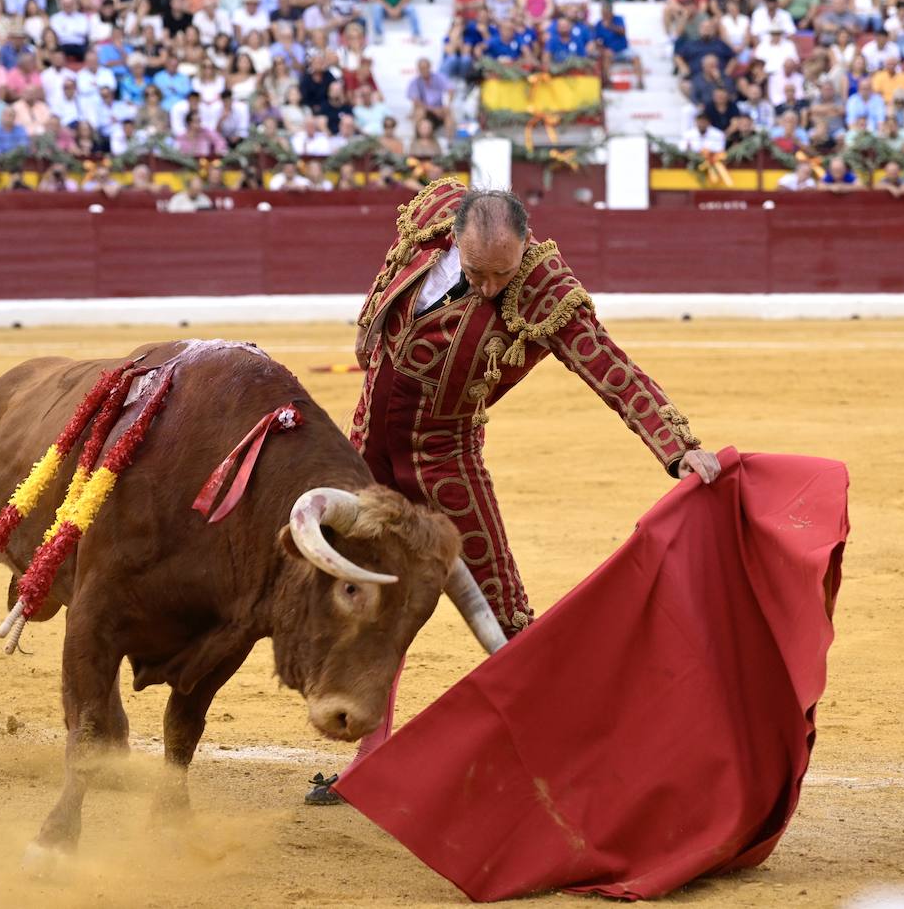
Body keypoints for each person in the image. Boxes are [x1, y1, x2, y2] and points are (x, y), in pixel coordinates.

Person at [305, 182, 720, 805]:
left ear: (524, 249)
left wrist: (677, 445)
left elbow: (610, 367)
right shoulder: (429, 216)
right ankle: (370, 758)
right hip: (362, 455)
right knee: (365, 604)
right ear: (454, 240)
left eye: (502, 273)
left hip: (444, 467)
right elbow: (388, 294)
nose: (490, 287)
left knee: (504, 617)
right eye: (476, 272)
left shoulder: (543, 289)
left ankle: (571, 762)